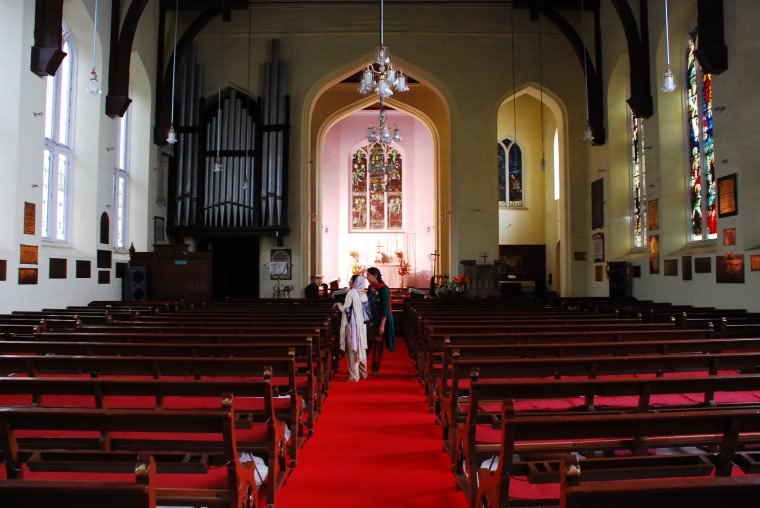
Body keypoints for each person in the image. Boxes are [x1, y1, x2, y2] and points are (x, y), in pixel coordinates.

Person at [333, 274, 368, 382]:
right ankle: (363, 373)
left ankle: (354, 376)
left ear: (355, 282)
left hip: (352, 326)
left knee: (352, 349)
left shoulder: (351, 293)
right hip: (362, 325)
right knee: (361, 348)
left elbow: (346, 310)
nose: (349, 283)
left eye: (350, 281)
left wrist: (338, 305)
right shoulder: (363, 294)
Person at [366, 267, 396, 376]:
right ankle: (361, 367)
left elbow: (385, 308)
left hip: (380, 320)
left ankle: (375, 369)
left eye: (368, 275)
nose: (367, 277)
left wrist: (382, 325)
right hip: (370, 320)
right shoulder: (370, 287)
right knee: (367, 344)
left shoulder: (383, 289)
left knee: (378, 346)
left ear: (375, 276)